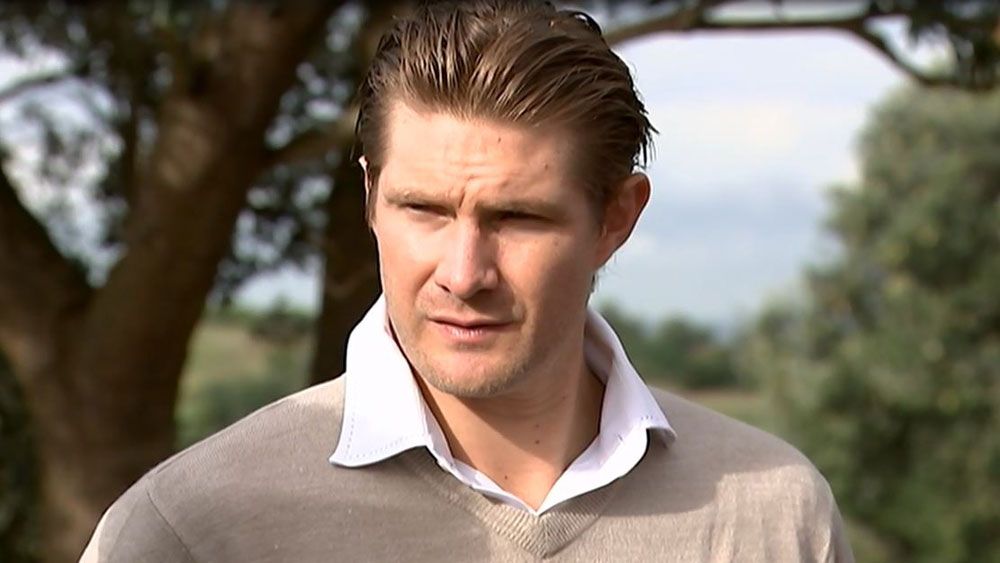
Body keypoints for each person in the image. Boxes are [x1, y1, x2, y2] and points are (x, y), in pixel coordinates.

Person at [81, 1, 854, 561]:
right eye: (423, 209)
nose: (463, 273)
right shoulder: (194, 527)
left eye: (518, 218)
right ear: (370, 198)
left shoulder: (773, 516)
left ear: (616, 218)